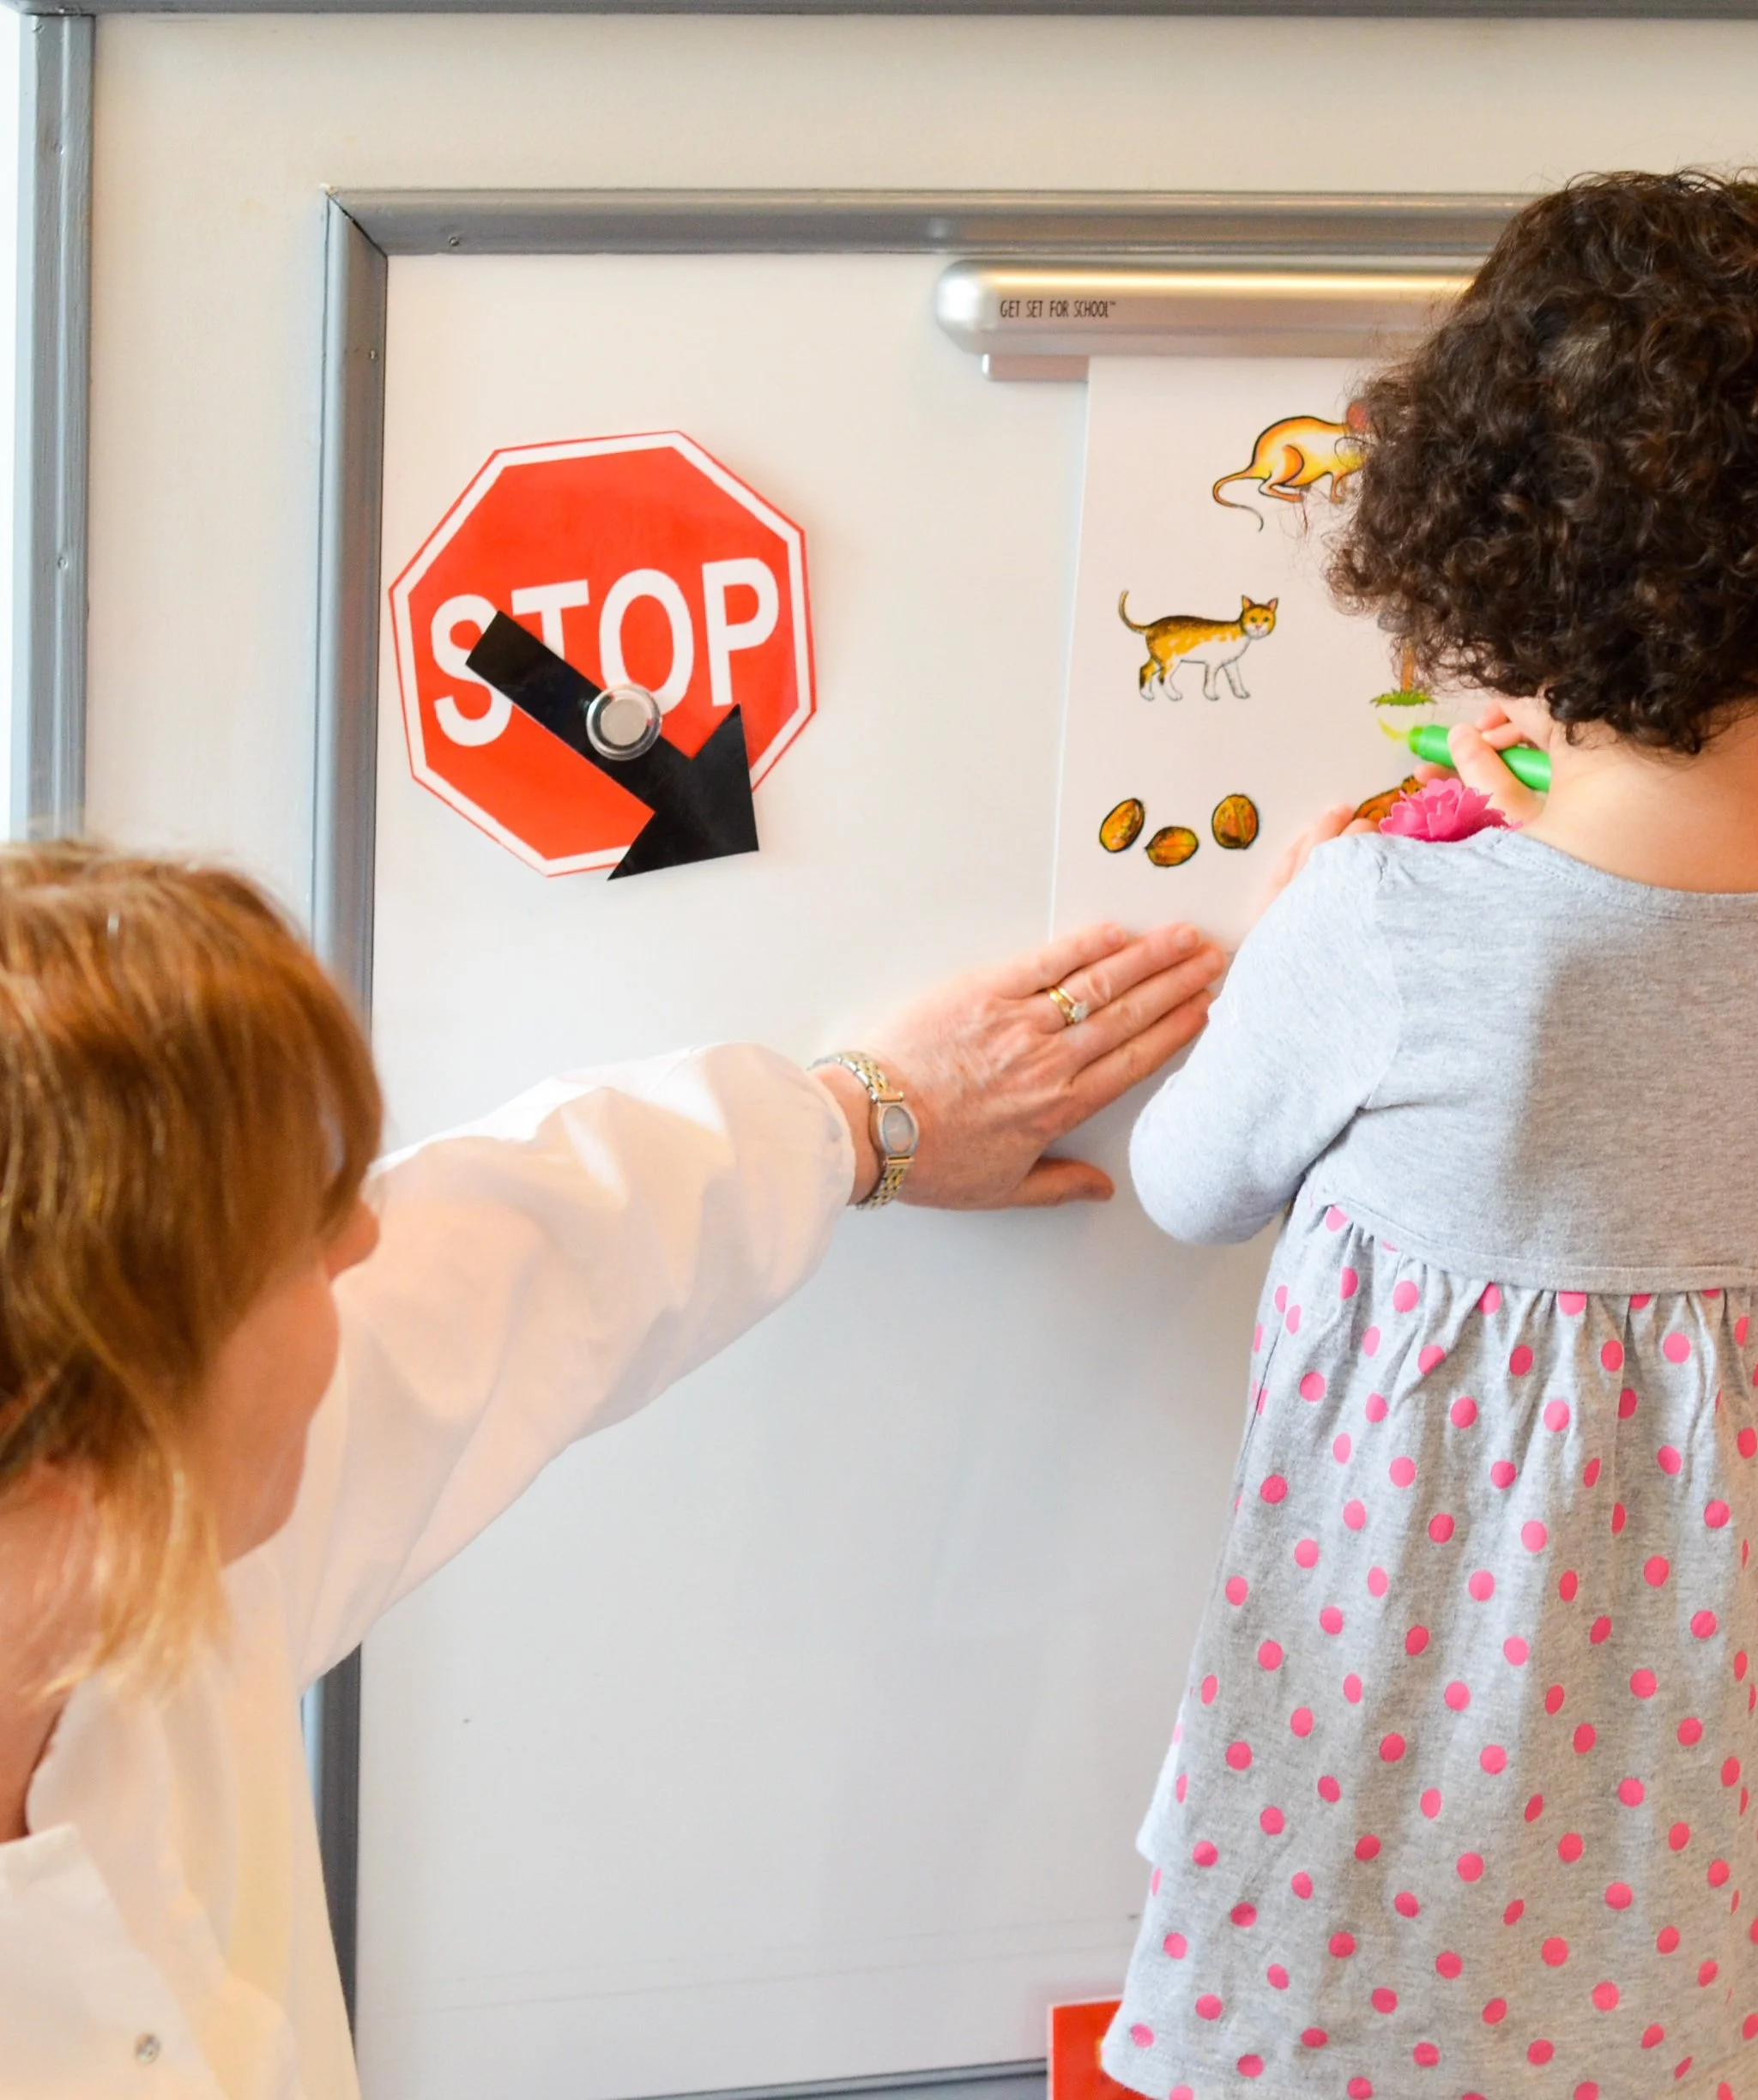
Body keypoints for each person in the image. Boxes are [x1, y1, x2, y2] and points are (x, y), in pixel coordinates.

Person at [1101, 172, 1758, 2100]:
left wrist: (1323, 902)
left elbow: (1184, 1183)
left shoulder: (1396, 918)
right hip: (1702, 1758)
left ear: (1480, 532)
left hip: (1403, 1743)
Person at [0, 842, 1222, 2097]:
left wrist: (866, 1113)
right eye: (295, 1246)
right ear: (81, 1420)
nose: (362, 1239)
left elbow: (525, 1243)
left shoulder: (149, 1536)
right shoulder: (182, 1537)